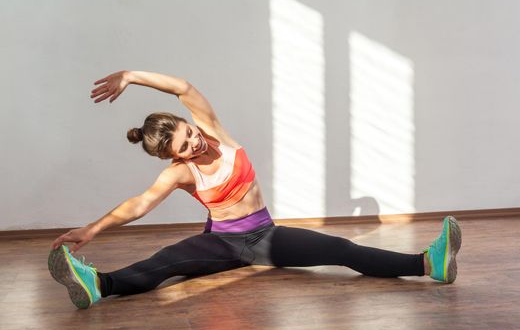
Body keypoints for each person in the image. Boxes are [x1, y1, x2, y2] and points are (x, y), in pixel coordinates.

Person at [48, 70, 462, 309]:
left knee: (340, 250)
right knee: (166, 262)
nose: (196, 143)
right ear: (175, 157)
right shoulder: (180, 174)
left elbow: (183, 89)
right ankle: (97, 285)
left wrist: (132, 76)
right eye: (185, 146)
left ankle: (429, 264)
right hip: (225, 244)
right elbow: (138, 205)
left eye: (190, 133)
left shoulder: (214, 131)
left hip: (266, 237)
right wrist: (91, 229)